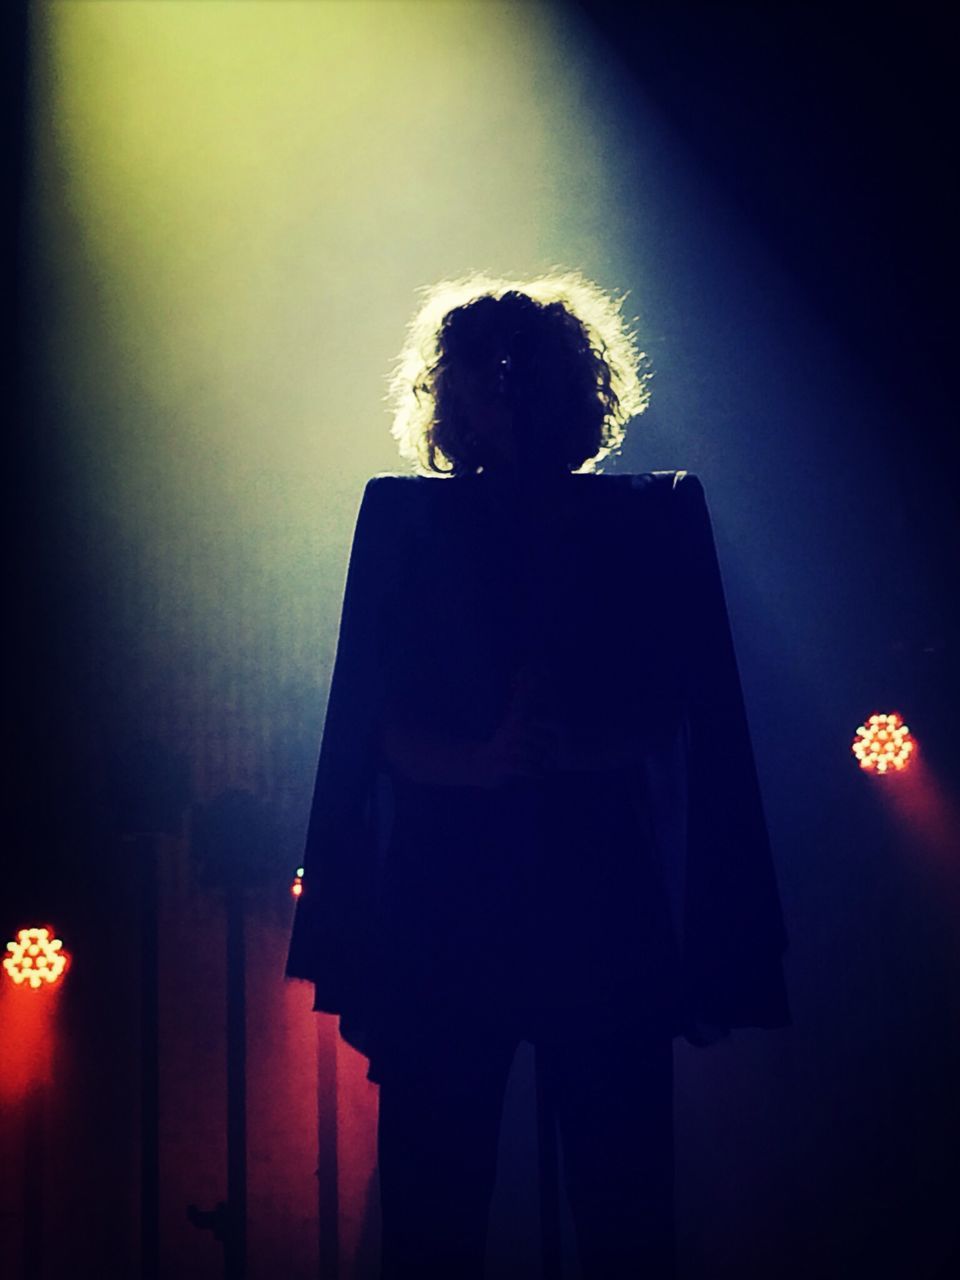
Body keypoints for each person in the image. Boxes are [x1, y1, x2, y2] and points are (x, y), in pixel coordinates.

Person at [287, 272, 790, 1278]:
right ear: (452, 393)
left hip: (587, 887)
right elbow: (369, 724)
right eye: (483, 372)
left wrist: (557, 750)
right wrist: (482, 762)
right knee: (442, 1199)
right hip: (460, 890)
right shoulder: (410, 522)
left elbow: (683, 708)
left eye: (522, 370)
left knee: (620, 1199)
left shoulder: (646, 519)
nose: (504, 391)